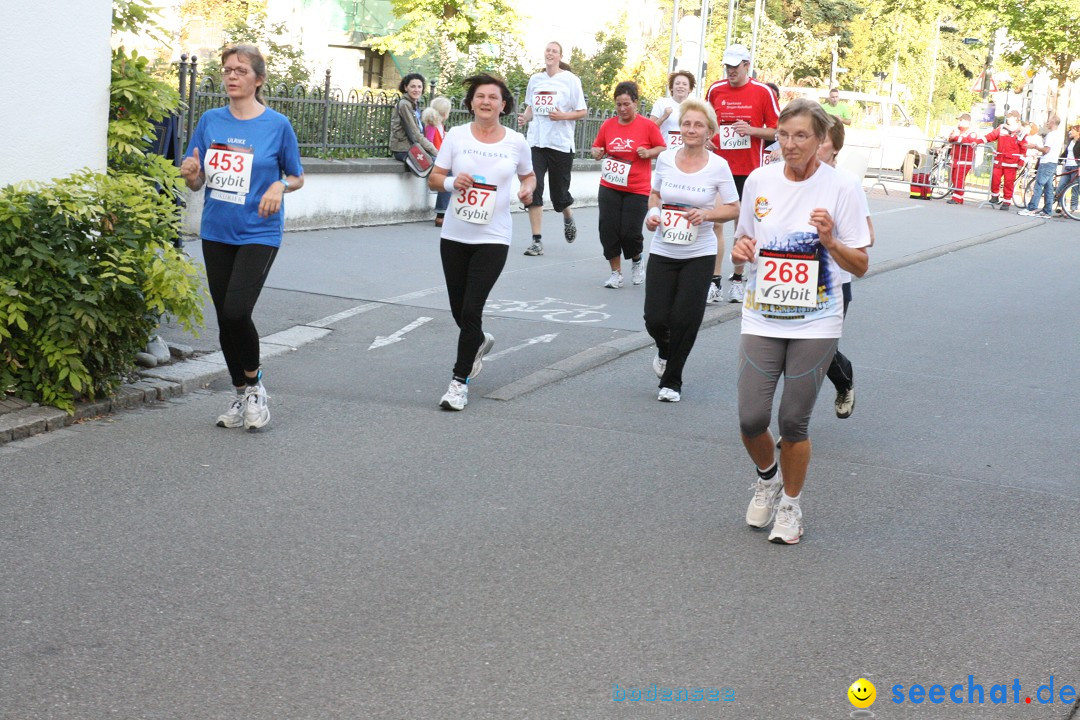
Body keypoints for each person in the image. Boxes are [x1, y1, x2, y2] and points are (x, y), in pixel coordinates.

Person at [730, 98, 871, 544]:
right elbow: (744, 240)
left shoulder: (843, 187)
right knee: (751, 418)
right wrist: (741, 252)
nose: (789, 144)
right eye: (783, 135)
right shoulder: (758, 179)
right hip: (762, 315)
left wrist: (828, 239)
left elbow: (862, 264)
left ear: (820, 140)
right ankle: (767, 478)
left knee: (793, 421)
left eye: (800, 136)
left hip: (817, 321)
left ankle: (791, 505)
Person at [180, 44, 304, 430]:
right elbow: (199, 180)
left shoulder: (277, 125)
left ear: (258, 79)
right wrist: (191, 173)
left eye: (240, 70)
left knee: (237, 311)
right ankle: (240, 393)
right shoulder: (211, 121)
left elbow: (297, 175)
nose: (231, 76)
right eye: (227, 70)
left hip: (259, 231)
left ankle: (255, 387)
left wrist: (280, 186)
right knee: (223, 318)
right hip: (217, 230)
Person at [428, 74, 536, 411]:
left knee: (473, 307)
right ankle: (477, 340)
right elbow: (433, 178)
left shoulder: (517, 142)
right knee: (459, 310)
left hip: (493, 236)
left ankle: (459, 382)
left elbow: (528, 174)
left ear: (504, 105)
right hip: (455, 234)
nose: (486, 102)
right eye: (480, 96)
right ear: (471, 102)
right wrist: (449, 182)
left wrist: (527, 188)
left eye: (493, 97)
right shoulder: (457, 136)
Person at [643, 99, 739, 402]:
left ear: (709, 130)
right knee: (654, 318)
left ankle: (672, 381)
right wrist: (652, 213)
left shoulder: (718, 165)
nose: (691, 129)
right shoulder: (667, 159)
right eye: (686, 123)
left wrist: (707, 215)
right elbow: (655, 194)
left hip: (699, 253)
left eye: (698, 125)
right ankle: (664, 349)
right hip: (663, 249)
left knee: (686, 318)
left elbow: (734, 208)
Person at [704, 43, 781, 304]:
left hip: (750, 170)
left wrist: (752, 131)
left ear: (747, 66)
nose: (730, 72)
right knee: (714, 222)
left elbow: (778, 130)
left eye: (735, 67)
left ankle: (737, 280)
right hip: (719, 168)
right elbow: (705, 121)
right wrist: (706, 139)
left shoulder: (763, 92)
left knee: (743, 229)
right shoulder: (715, 89)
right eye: (727, 67)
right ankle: (714, 282)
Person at [818, 115, 875, 419]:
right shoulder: (785, 178)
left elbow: (868, 237)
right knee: (788, 352)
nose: (813, 144)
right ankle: (792, 422)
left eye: (822, 139)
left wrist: (830, 237)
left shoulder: (847, 184)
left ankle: (844, 378)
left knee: (817, 353)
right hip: (793, 283)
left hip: (834, 282)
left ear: (835, 148)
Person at [590, 81, 666, 288]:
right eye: (618, 105)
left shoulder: (647, 126)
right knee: (608, 229)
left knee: (630, 232)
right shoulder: (608, 125)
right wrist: (596, 152)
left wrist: (649, 153)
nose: (622, 109)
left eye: (626, 104)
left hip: (637, 188)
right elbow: (597, 147)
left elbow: (662, 146)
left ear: (635, 103)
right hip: (609, 185)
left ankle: (636, 259)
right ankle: (615, 273)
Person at [518, 42, 588, 257]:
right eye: (547, 50)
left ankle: (567, 214)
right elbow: (531, 106)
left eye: (554, 51)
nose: (550, 53)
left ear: (560, 56)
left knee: (559, 195)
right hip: (536, 142)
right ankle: (536, 240)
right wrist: (525, 117)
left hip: (560, 144)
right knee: (534, 189)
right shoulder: (535, 79)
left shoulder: (570, 80)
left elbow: (582, 111)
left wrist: (563, 116)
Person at [983, 110, 1027, 211]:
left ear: (1016, 119)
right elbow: (990, 136)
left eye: (1010, 117)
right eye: (1007, 117)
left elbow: (1024, 148)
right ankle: (995, 196)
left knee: (1008, 182)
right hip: (999, 160)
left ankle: (1006, 201)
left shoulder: (1021, 131)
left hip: (1012, 162)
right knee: (995, 178)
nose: (1007, 118)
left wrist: (1021, 162)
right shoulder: (1001, 128)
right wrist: (977, 141)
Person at [1019, 115, 1062, 218]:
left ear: (1052, 123)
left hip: (1046, 162)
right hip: (1052, 162)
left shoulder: (1051, 135)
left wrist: (1035, 147)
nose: (1046, 123)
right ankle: (1047, 211)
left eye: (1048, 121)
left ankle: (1031, 208)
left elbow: (1046, 150)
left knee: (1038, 185)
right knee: (1048, 187)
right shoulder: (1059, 135)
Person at [390, 73, 438, 164]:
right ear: (405, 87)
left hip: (414, 148)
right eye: (413, 86)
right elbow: (415, 133)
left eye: (419, 87)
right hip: (404, 150)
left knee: (443, 166)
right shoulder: (405, 104)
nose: (417, 90)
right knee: (440, 166)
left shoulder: (413, 105)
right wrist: (435, 151)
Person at [422, 96, 453, 226]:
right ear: (445, 113)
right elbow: (428, 143)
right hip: (434, 158)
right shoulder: (432, 125)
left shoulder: (440, 126)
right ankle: (441, 213)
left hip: (439, 157)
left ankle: (448, 209)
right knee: (449, 174)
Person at [650, 71, 696, 147]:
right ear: (671, 87)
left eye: (684, 84)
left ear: (690, 89)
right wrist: (663, 117)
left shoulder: (694, 107)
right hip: (664, 151)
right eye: (677, 83)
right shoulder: (661, 103)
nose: (680, 86)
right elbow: (649, 128)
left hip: (687, 152)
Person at [945, 113, 980, 205]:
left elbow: (968, 141)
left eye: (961, 120)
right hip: (955, 159)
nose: (959, 122)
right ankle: (958, 198)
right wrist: (954, 137)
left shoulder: (972, 132)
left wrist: (956, 138)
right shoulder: (957, 130)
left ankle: (957, 198)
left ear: (967, 121)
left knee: (958, 178)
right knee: (954, 178)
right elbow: (950, 138)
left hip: (964, 160)